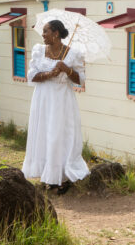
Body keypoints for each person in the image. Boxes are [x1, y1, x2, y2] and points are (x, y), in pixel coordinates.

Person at [21, 20, 90, 192]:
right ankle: (47, 175)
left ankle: (62, 178)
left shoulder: (72, 54)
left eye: (46, 31)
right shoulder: (39, 51)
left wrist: (67, 69)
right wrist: (49, 73)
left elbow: (80, 80)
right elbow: (32, 76)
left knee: (59, 135)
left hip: (62, 100)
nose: (43, 35)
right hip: (43, 99)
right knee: (44, 134)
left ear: (56, 33)